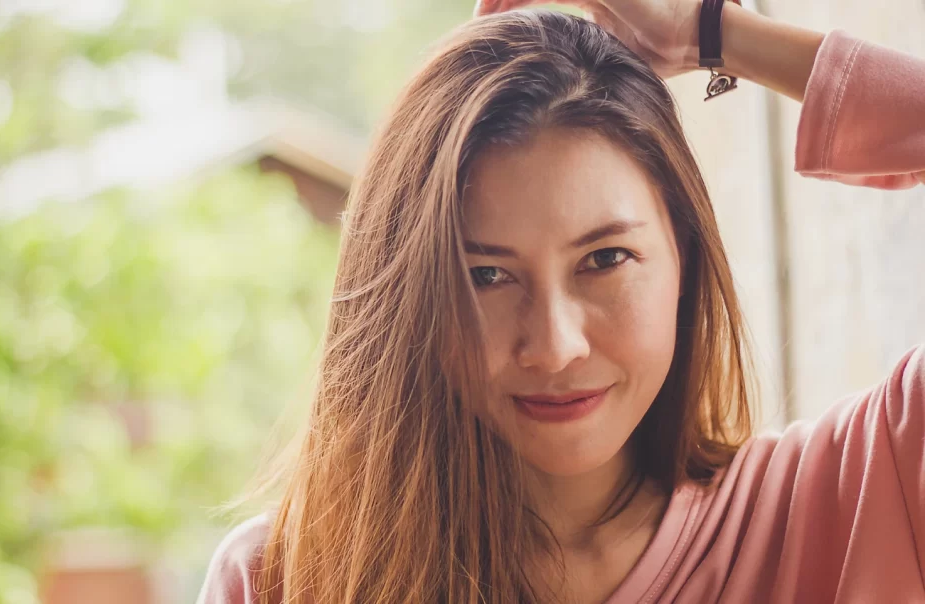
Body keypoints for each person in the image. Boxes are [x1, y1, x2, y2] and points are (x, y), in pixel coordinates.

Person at [198, 0, 925, 601]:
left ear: (686, 255)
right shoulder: (287, 580)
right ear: (411, 298)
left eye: (604, 260)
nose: (553, 345)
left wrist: (713, 33)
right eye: (486, 275)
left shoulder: (862, 490)